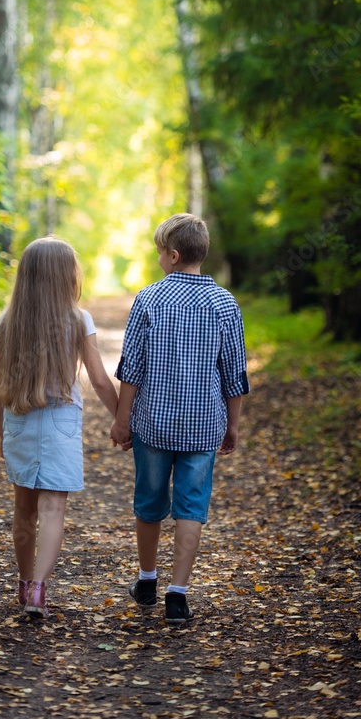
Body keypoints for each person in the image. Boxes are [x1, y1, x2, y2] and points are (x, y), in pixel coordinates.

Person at [110, 213, 249, 624]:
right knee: (191, 507)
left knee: (150, 502)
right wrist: (233, 425)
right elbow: (234, 373)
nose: (158, 260)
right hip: (204, 424)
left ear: (172, 255)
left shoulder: (149, 299)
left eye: (158, 253)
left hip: (153, 423)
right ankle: (177, 596)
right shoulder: (225, 303)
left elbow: (131, 368)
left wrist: (122, 419)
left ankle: (147, 580)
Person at [0, 236, 119, 619]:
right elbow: (98, 380)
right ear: (67, 275)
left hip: (19, 418)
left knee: (23, 509)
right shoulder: (78, 319)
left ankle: (23, 581)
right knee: (53, 509)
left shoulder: (7, 321)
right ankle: (39, 590)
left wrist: (2, 433)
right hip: (61, 419)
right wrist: (121, 418)